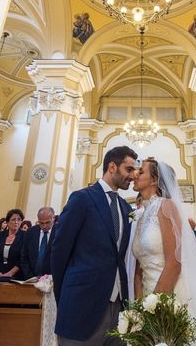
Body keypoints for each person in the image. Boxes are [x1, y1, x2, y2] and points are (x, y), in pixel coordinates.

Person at [131, 158, 196, 345]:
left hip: (169, 294)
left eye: (140, 171)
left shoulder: (166, 206)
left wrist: (155, 307)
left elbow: (174, 262)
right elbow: (138, 267)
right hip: (146, 295)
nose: (135, 174)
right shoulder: (142, 214)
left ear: (154, 180)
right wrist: (139, 304)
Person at [51, 146, 137, 345]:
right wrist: (65, 295)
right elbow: (60, 250)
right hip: (81, 303)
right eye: (129, 169)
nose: (132, 176)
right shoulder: (82, 198)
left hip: (118, 306)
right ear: (112, 167)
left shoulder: (125, 207)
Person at [20, 206, 55, 279]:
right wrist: (29, 276)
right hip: (31, 278)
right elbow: (24, 256)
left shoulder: (60, 233)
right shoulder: (30, 232)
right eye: (41, 223)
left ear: (53, 218)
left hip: (52, 280)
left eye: (48, 222)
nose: (45, 226)